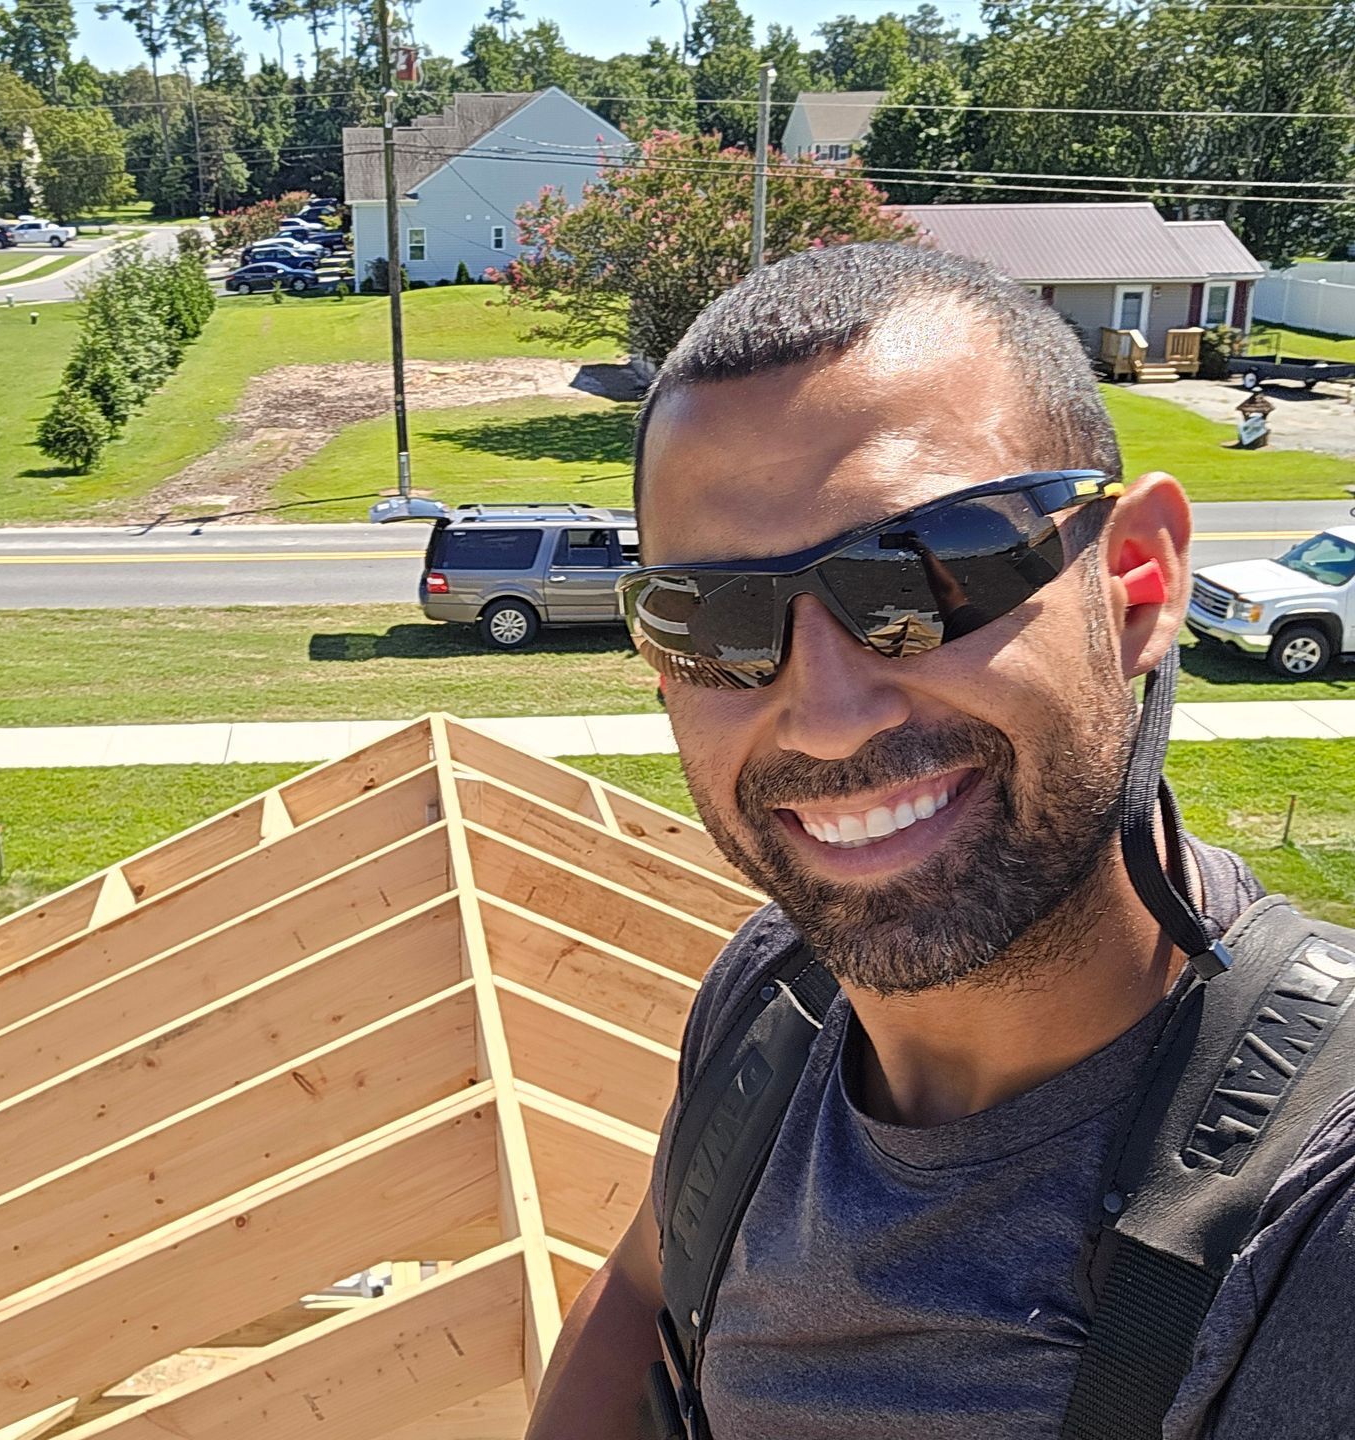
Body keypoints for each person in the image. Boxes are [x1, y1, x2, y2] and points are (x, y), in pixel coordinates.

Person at [524, 244, 1355, 1440]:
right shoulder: (774, 997)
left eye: (921, 573)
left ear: (1133, 584)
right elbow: (647, 1288)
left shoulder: (1310, 1223)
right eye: (711, 617)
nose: (826, 712)